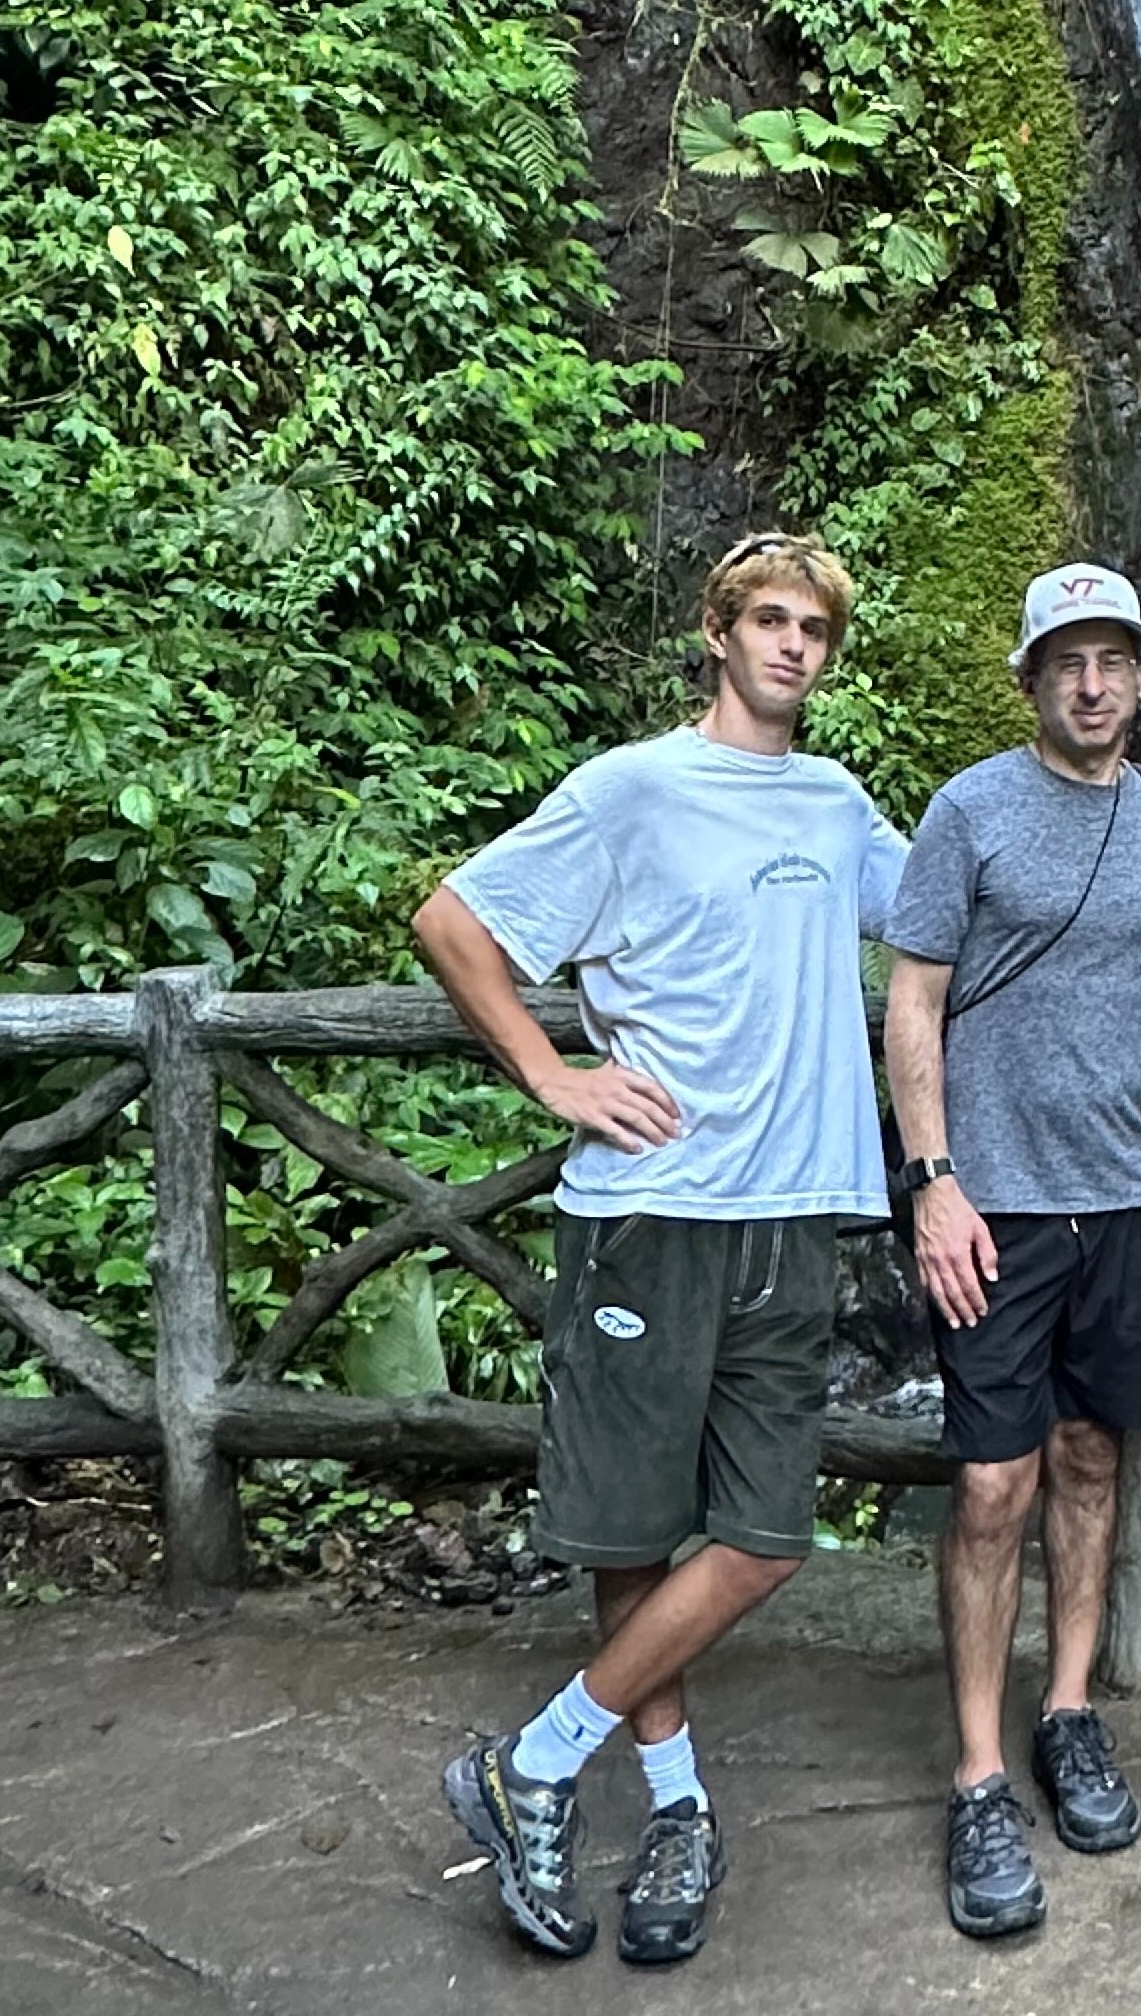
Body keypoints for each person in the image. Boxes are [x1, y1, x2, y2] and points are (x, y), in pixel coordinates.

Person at [415, 531, 908, 1969]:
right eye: (772, 619)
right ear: (718, 631)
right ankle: (677, 1807)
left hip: (792, 1211)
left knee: (762, 1538)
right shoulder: (630, 789)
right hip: (652, 1212)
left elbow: (951, 911)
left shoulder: (835, 804)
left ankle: (534, 1762)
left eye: (815, 628)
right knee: (632, 1532)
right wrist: (551, 1077)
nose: (794, 645)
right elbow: (454, 922)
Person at [880, 564, 1141, 1939]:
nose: (1091, 683)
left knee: (1089, 1459)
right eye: (1067, 660)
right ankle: (976, 1772)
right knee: (992, 1481)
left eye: (1112, 659)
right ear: (1030, 679)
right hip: (993, 1204)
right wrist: (933, 1182)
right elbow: (915, 1001)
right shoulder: (970, 810)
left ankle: (1066, 1711)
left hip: (1122, 1200)